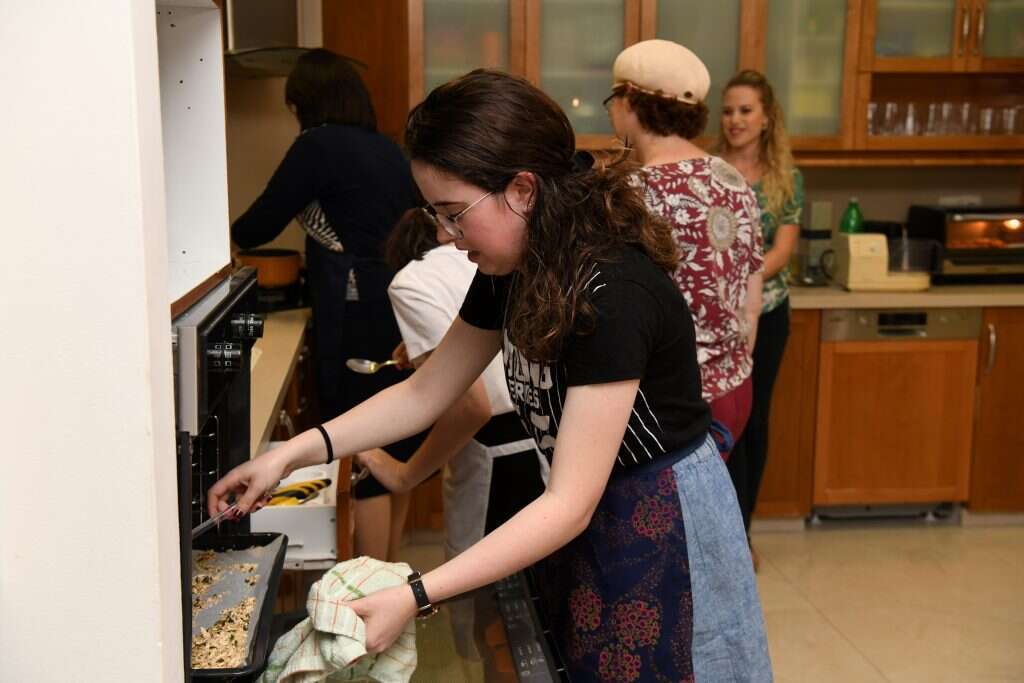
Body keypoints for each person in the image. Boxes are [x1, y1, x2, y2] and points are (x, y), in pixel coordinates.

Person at [210, 69, 771, 681]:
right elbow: (426, 391)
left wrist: (415, 593)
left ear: (523, 190)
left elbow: (569, 504)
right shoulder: (516, 266)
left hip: (662, 520)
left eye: (454, 214)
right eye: (436, 214)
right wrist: (290, 454)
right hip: (588, 508)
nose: (444, 236)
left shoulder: (612, 290)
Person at [229, 48, 421, 561]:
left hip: (355, 305)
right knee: (395, 442)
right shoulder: (386, 149)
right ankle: (391, 571)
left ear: (308, 102)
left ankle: (370, 580)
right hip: (399, 302)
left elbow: (262, 220)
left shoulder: (317, 145)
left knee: (358, 446)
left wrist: (225, 240)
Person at [362, 207, 546, 658]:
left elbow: (472, 405)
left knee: (495, 620)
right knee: (535, 615)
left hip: (502, 465)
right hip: (544, 439)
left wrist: (404, 474)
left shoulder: (409, 282)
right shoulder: (492, 260)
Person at [605, 39, 764, 460]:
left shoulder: (631, 193)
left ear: (630, 101)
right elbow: (752, 303)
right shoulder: (734, 180)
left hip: (673, 406)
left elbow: (619, 315)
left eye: (613, 100)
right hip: (735, 390)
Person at [716, 70, 804, 567]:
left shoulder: (786, 178)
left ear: (766, 117)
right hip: (715, 318)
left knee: (754, 420)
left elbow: (782, 251)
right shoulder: (709, 171)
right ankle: (720, 535)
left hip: (767, 315)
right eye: (728, 110)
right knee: (719, 424)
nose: (735, 119)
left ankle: (742, 535)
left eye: (746, 110)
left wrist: (738, 277)